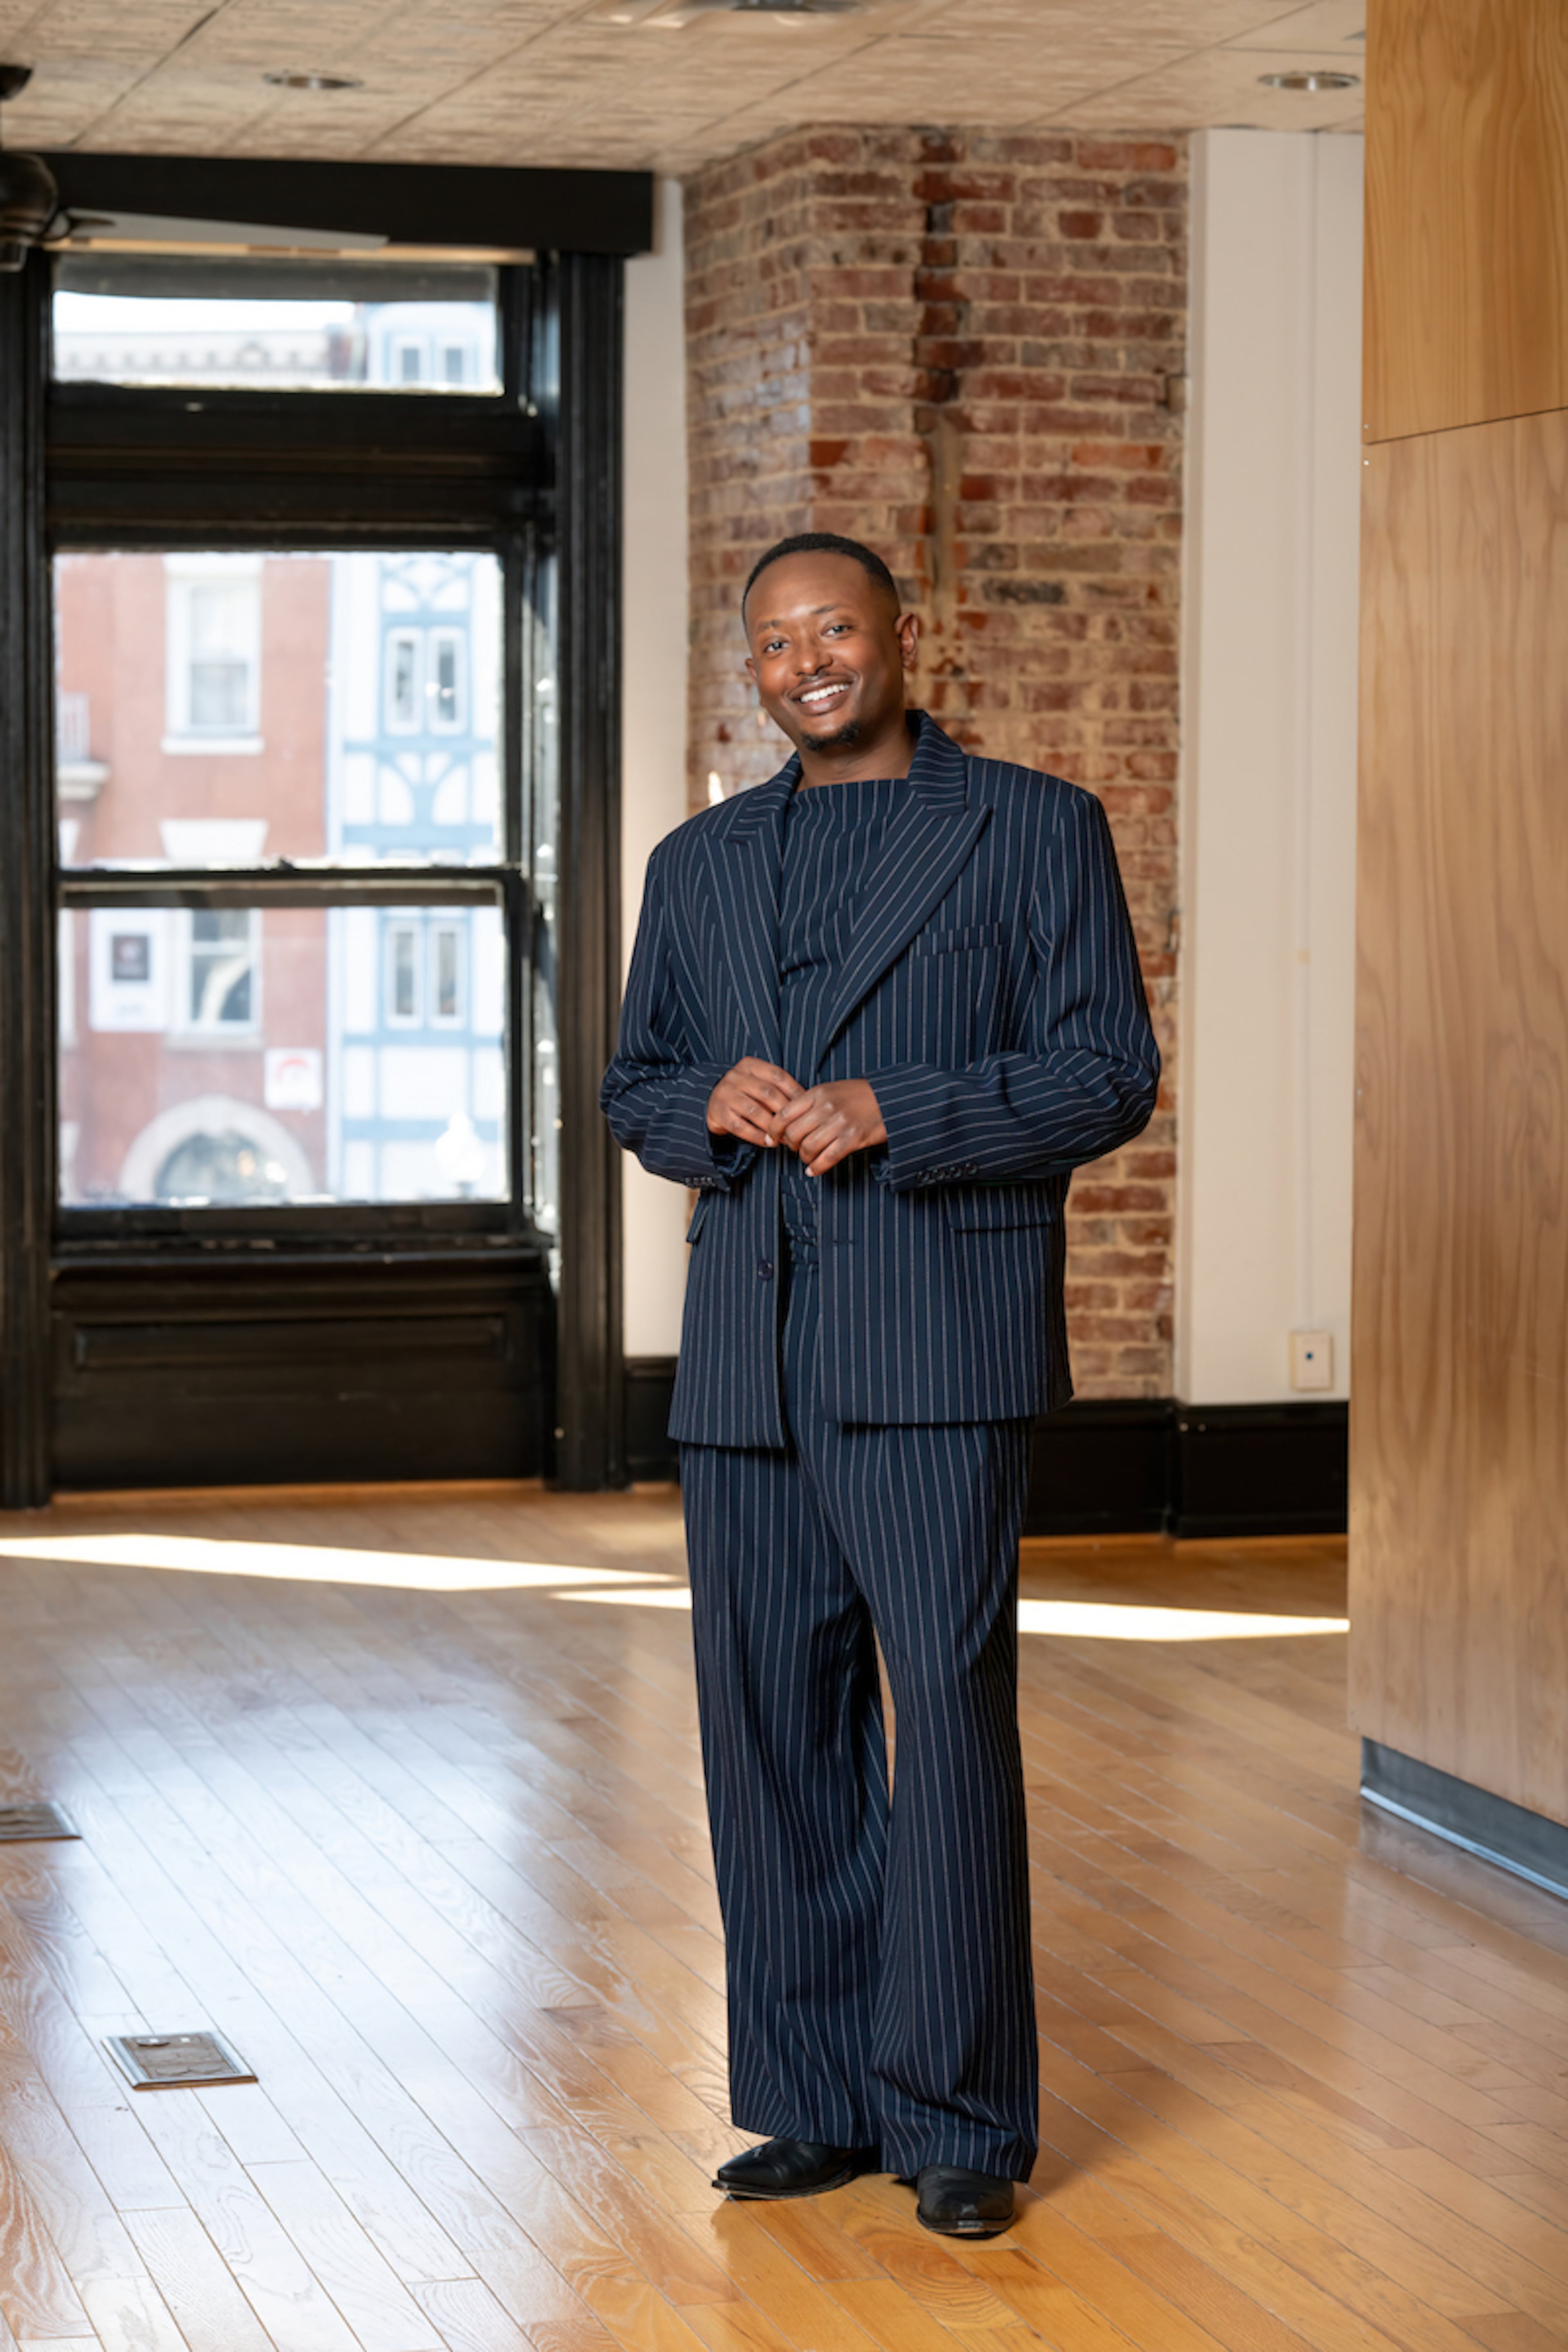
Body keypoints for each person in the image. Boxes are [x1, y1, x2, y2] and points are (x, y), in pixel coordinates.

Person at [601, 532, 1158, 2237]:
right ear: (753, 672)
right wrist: (710, 1101)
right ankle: (816, 2098)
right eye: (775, 645)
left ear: (904, 636)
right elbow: (636, 1087)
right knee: (772, 1734)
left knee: (949, 1723)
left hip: (935, 1346)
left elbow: (1104, 1075)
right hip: (746, 1363)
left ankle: (962, 2117)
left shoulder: (1034, 828)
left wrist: (899, 1111)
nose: (806, 663)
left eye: (834, 629)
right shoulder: (697, 864)